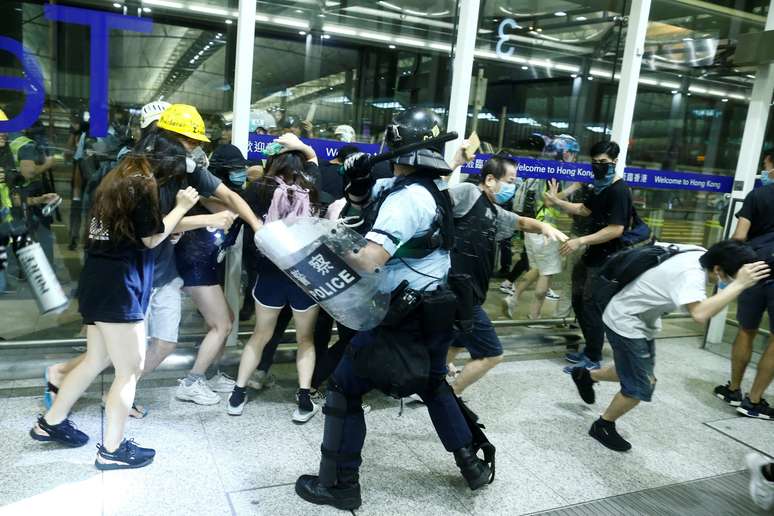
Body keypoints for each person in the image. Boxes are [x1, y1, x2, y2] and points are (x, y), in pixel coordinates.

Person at [295, 108, 493, 510]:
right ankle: (471, 463)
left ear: (396, 148)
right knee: (433, 384)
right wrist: (358, 183)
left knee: (344, 388)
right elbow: (370, 196)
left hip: (401, 316)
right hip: (435, 310)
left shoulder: (406, 199)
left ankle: (339, 485)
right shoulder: (428, 189)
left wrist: (330, 248)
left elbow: (370, 259)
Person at [29, 133, 200, 469]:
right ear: (165, 166)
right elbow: (151, 239)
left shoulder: (116, 177)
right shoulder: (142, 185)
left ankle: (50, 423)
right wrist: (182, 207)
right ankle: (113, 450)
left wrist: (165, 231)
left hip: (98, 280)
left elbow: (129, 233)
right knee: (129, 370)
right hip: (120, 288)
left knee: (95, 359)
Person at [570, 240, 769, 452]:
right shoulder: (691, 275)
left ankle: (586, 376)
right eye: (731, 278)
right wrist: (739, 285)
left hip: (637, 316)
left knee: (629, 370)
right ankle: (603, 426)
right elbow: (700, 314)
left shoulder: (700, 253)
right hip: (625, 321)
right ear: (718, 269)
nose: (730, 283)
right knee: (641, 386)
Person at [138, 104, 263, 398]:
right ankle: (191, 381)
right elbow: (154, 229)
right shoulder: (144, 173)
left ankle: (205, 375)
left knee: (220, 322)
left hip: (175, 264)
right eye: (188, 140)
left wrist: (257, 226)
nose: (193, 147)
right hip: (173, 264)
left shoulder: (189, 170)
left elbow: (228, 197)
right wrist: (211, 219)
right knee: (219, 324)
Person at [446, 150, 568, 395]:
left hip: (472, 293)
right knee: (492, 354)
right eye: (511, 181)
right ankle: (449, 394)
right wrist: (455, 164)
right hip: (459, 293)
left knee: (457, 342)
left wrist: (543, 226)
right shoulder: (469, 193)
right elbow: (435, 197)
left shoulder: (494, 211)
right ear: (490, 179)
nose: (514, 187)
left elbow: (521, 222)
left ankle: (431, 379)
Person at [228, 132, 321, 423]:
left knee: (259, 335)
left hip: (270, 273)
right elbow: (314, 159)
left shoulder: (259, 188)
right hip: (304, 275)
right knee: (305, 339)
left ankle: (237, 395)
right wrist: (302, 147)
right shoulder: (312, 188)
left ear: (273, 162)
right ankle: (303, 400)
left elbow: (238, 210)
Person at [543, 140, 633, 372]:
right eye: (594, 162)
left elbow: (616, 229)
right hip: (593, 254)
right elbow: (584, 209)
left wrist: (580, 241)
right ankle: (590, 349)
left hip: (609, 258)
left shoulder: (619, 190)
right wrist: (557, 201)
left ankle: (593, 357)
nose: (598, 166)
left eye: (603, 162)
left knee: (591, 305)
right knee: (578, 300)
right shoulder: (600, 187)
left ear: (615, 161)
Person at [172, 144, 246, 405]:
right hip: (194, 264)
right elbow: (231, 210)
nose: (242, 173)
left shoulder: (215, 193)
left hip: (205, 264)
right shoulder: (205, 194)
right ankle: (192, 382)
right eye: (236, 170)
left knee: (226, 319)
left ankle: (211, 374)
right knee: (222, 324)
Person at [713, 148, 774, 420]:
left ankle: (733, 389)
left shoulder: (757, 195)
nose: (764, 170)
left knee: (746, 329)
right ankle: (754, 401)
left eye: (765, 164)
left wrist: (728, 264)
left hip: (754, 269)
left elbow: (739, 236)